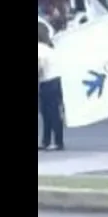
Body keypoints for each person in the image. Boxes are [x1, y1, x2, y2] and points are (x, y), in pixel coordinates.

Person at [38, 23, 64, 151]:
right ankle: (48, 140)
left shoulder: (39, 48)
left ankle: (55, 142)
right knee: (50, 112)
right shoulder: (50, 48)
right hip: (55, 81)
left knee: (49, 113)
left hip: (47, 82)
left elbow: (39, 68)